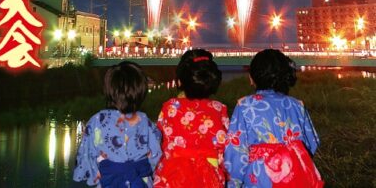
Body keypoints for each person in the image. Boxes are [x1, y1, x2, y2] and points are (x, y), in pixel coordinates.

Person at [224, 49, 324, 187]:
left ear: (252, 78)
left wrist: (232, 183)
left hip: (260, 177)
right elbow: (311, 143)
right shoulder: (297, 105)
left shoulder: (245, 106)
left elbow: (236, 152)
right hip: (295, 176)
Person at [73, 61, 162, 188]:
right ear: (140, 92)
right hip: (139, 181)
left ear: (109, 90)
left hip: (108, 182)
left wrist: (93, 176)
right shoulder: (144, 120)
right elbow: (156, 152)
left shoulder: (97, 120)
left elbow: (86, 154)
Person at [154, 48, 229, 188]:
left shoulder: (170, 107)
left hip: (174, 176)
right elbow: (224, 148)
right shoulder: (219, 109)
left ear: (181, 81)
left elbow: (161, 143)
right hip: (209, 176)